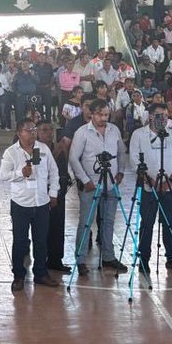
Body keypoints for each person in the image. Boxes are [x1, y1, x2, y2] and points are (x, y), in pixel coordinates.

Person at [0, 120, 61, 291]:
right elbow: (3, 175)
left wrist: (53, 192)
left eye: (34, 130)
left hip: (41, 202)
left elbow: (54, 172)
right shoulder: (11, 152)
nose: (33, 133)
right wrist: (20, 173)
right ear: (19, 133)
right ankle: (18, 275)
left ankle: (40, 273)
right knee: (20, 241)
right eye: (28, 130)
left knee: (41, 240)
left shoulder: (43, 149)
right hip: (21, 203)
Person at [68, 99, 127, 273]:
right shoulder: (82, 132)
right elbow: (73, 158)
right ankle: (80, 259)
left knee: (108, 221)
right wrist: (85, 180)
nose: (103, 118)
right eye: (100, 114)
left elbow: (121, 152)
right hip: (91, 185)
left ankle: (109, 256)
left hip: (111, 182)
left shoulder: (114, 130)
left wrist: (121, 172)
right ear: (91, 114)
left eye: (106, 114)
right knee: (86, 222)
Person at [128, 107, 172, 275]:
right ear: (151, 117)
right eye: (160, 115)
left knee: (169, 222)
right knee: (147, 223)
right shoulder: (139, 135)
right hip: (148, 188)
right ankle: (144, 259)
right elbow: (133, 160)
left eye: (167, 115)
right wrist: (148, 179)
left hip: (170, 187)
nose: (164, 118)